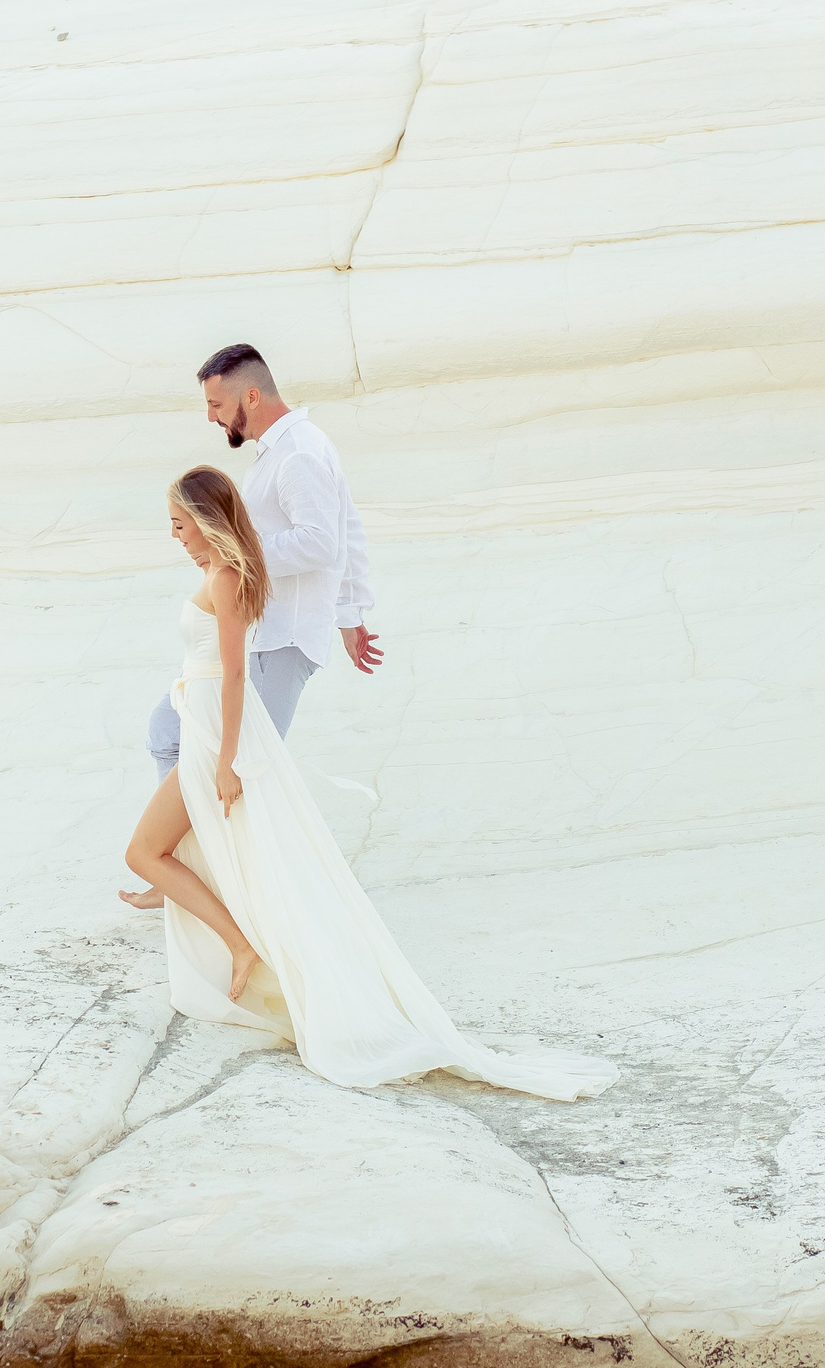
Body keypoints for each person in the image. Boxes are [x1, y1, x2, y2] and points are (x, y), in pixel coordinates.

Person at [119, 467, 614, 1096]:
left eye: (180, 524)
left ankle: (240, 945)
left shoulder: (224, 578)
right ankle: (238, 942)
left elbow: (239, 676)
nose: (175, 536)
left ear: (208, 521)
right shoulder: (219, 574)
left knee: (144, 851)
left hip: (217, 732)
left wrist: (225, 761)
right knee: (173, 850)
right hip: (205, 722)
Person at [124, 343, 378, 911]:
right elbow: (349, 525)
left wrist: (237, 553)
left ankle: (231, 886)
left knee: (245, 767)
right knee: (169, 733)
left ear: (252, 396)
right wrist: (351, 613)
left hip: (281, 640)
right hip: (259, 632)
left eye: (217, 404)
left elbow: (325, 540)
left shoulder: (299, 455)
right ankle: (190, 867)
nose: (212, 416)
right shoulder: (278, 453)